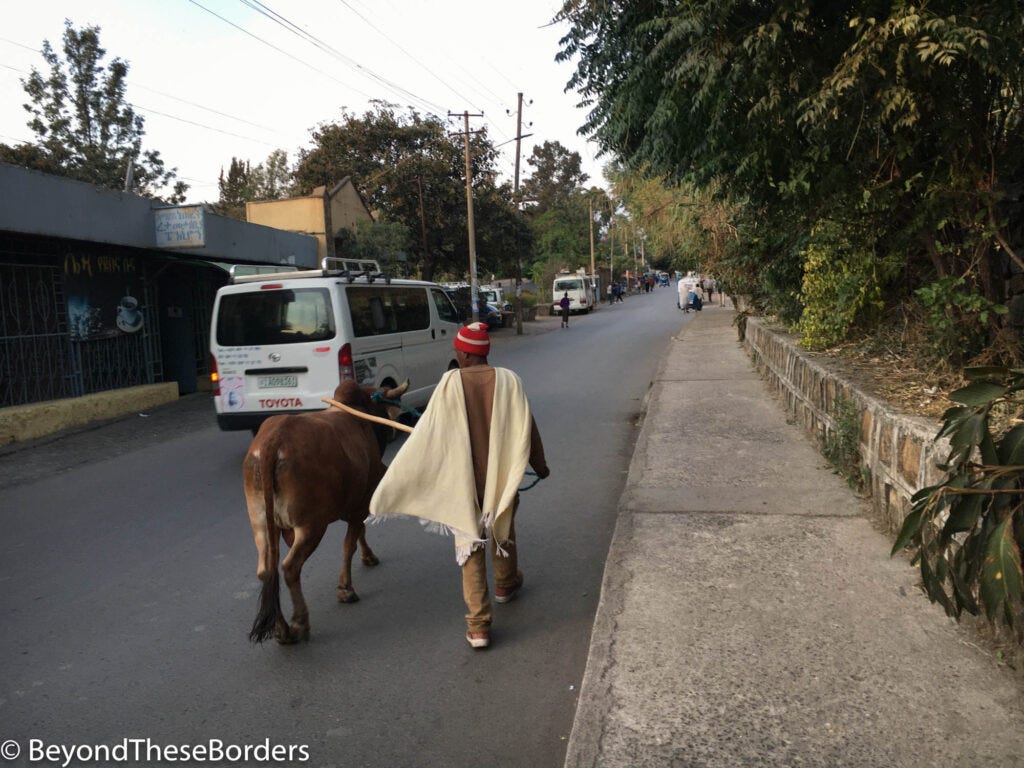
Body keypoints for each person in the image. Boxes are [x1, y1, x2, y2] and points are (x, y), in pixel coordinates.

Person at [369, 322, 550, 649]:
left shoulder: (450, 383)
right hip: (500, 480)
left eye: (457, 350)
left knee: (470, 546)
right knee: (502, 529)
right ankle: (506, 584)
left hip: (463, 483)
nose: (455, 354)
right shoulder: (510, 381)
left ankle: (479, 626)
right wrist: (541, 466)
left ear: (466, 354)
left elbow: (432, 431)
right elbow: (528, 428)